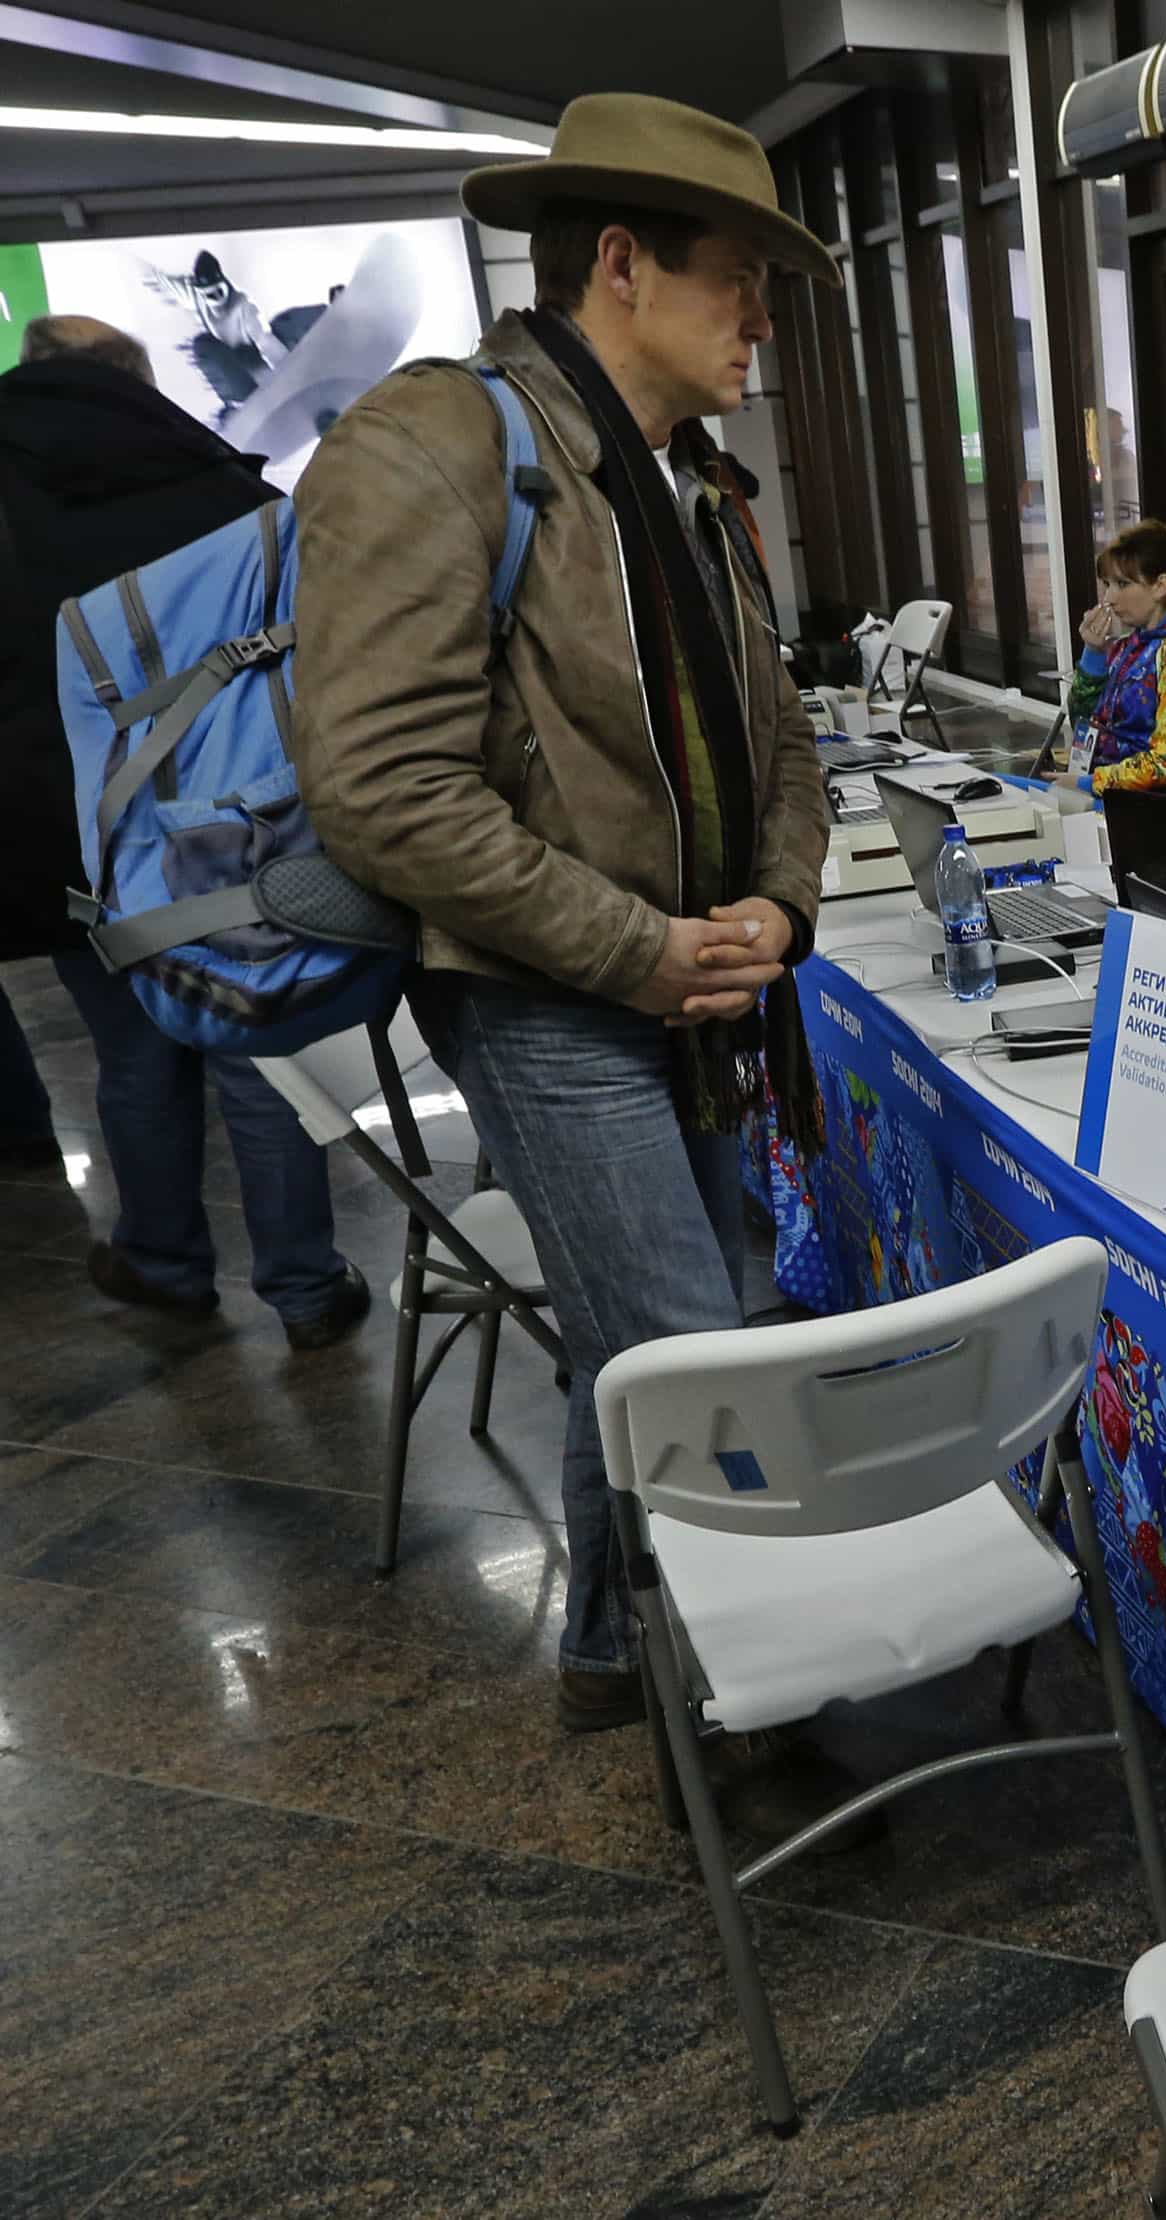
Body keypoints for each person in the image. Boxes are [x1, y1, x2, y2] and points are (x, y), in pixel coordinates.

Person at [288, 95, 836, 1740]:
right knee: (692, 1354)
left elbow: (786, 740)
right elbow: (382, 787)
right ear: (620, 262)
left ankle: (614, 1647)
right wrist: (638, 949)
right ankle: (735, 1714)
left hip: (701, 990)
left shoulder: (691, 483)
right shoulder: (431, 445)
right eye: (739, 277)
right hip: (541, 997)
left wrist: (775, 912)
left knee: (680, 1326)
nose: (759, 318)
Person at [0, 313, 367, 1344]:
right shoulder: (217, 476)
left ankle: (163, 1259)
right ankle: (305, 1288)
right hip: (238, 814)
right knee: (258, 1040)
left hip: (60, 828)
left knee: (133, 1054)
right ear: (140, 382)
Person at [1064, 519, 1166, 796]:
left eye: (1122, 584)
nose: (1109, 598)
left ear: (1160, 586)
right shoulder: (1129, 647)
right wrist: (1094, 654)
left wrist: (1090, 783)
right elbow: (1083, 723)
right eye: (1106, 584)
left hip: (1143, 807)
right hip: (1104, 790)